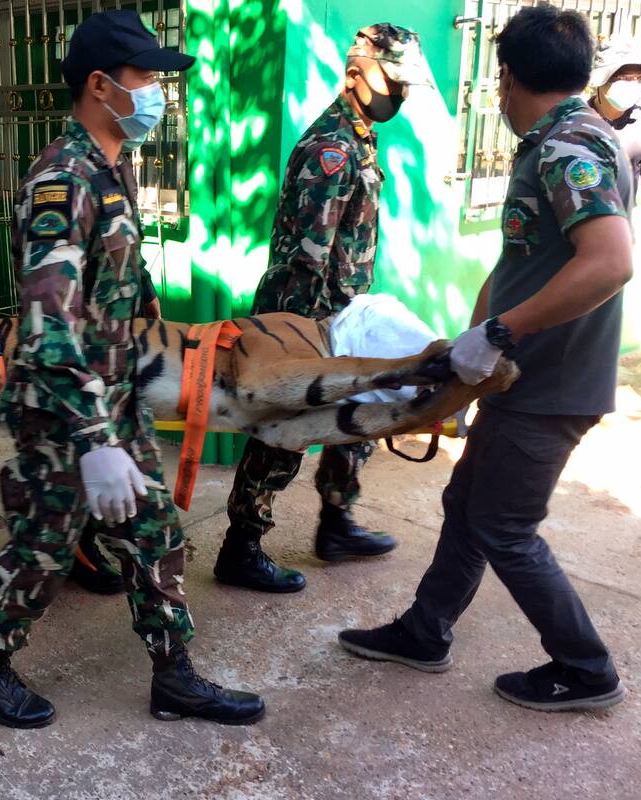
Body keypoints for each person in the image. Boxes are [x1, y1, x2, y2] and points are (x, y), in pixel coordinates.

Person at [0, 10, 265, 728]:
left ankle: (175, 676)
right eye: (147, 77)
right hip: (64, 407)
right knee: (45, 547)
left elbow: (120, 288)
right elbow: (49, 319)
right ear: (101, 84)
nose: (158, 92)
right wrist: (95, 441)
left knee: (155, 532)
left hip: (113, 395)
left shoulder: (113, 163)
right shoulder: (64, 180)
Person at [339, 3, 633, 712]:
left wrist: (497, 338)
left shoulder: (568, 148)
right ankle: (425, 630)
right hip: (520, 376)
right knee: (466, 503)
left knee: (504, 526)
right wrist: (464, 356)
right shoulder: (571, 136)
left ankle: (586, 669)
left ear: (506, 77)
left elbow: (609, 262)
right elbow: (520, 266)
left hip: (549, 382)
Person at [214, 23, 431, 593]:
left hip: (343, 314)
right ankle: (241, 546)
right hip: (307, 318)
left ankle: (337, 521)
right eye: (395, 82)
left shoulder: (359, 138)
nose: (401, 96)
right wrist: (307, 345)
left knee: (357, 417)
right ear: (357, 73)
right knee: (282, 435)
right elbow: (307, 258)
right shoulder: (331, 151)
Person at [589, 39, 641, 269]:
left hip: (622, 234)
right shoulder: (578, 122)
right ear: (601, 81)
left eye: (638, 78)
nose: (632, 84)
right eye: (623, 78)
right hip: (576, 236)